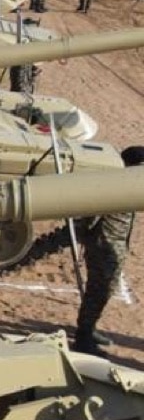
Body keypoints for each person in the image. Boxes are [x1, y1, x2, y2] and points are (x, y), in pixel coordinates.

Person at [74, 145, 144, 355]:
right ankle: (83, 337)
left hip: (114, 247)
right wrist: (87, 238)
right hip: (103, 247)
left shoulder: (130, 187)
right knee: (99, 290)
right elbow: (90, 218)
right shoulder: (114, 187)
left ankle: (89, 327)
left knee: (104, 290)